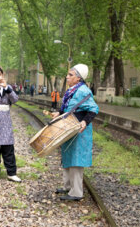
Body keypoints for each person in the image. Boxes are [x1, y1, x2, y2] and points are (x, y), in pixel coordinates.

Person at [44, 64, 98, 201]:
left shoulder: (83, 91)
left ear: (78, 78)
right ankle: (68, 187)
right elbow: (72, 108)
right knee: (68, 155)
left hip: (78, 130)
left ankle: (77, 192)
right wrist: (59, 113)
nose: (67, 77)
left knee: (76, 159)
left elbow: (93, 109)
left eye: (70, 75)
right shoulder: (72, 90)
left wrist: (85, 122)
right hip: (69, 128)